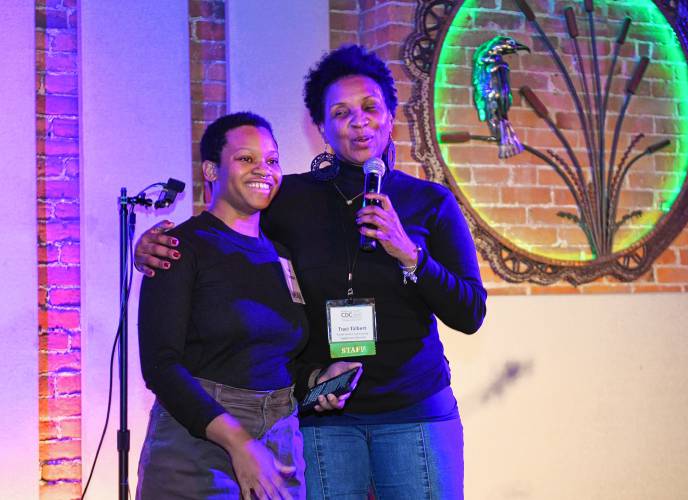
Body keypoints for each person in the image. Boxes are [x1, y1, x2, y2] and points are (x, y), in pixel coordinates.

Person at [136, 45, 487, 499]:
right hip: (322, 419)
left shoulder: (430, 202)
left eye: (369, 108)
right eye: (340, 112)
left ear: (390, 116)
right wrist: (154, 246)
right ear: (321, 126)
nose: (358, 121)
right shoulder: (288, 198)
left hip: (414, 412)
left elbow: (470, 312)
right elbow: (230, 225)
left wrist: (409, 254)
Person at [136, 112, 359, 500]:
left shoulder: (281, 255)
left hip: (279, 441)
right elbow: (160, 366)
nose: (264, 169)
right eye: (246, 158)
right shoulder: (178, 248)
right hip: (199, 442)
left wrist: (318, 380)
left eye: (272, 160)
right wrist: (239, 443)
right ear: (211, 169)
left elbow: (278, 356)